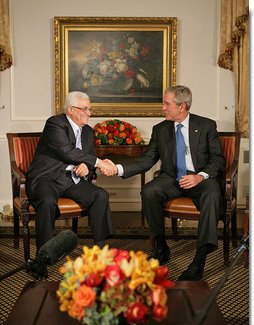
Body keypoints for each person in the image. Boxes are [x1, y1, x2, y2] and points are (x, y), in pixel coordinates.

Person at [102, 85, 226, 281]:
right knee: (149, 191)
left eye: (167, 104)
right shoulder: (160, 129)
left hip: (200, 179)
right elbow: (147, 160)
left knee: (212, 194)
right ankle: (161, 247)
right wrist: (118, 169)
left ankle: (199, 260)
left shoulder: (206, 126)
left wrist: (200, 176)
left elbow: (218, 159)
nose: (163, 108)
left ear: (182, 106)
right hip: (172, 178)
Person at [26, 91, 116, 251]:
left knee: (100, 195)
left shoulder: (88, 131)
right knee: (47, 202)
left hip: (72, 181)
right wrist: (98, 163)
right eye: (84, 109)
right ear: (70, 109)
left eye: (90, 109)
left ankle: (100, 250)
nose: (88, 113)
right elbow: (67, 151)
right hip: (47, 178)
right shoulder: (55, 124)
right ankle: (43, 255)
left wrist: (86, 167)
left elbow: (88, 157)